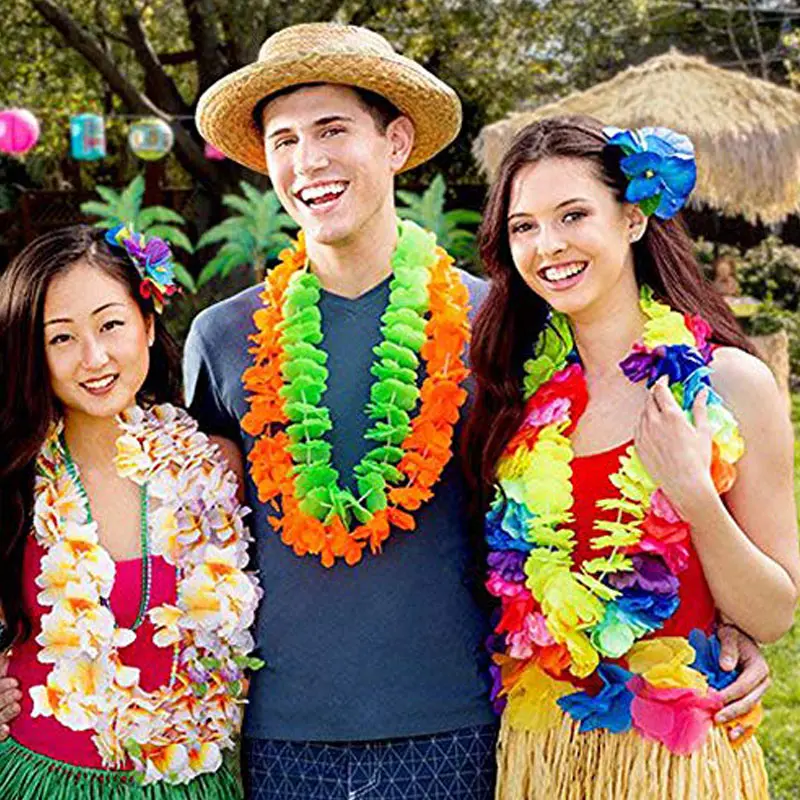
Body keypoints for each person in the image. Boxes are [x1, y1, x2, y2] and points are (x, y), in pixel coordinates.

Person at [0, 23, 770, 800]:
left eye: (333, 130)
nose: (309, 161)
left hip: (462, 727)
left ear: (396, 141)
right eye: (285, 140)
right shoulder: (222, 336)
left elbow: (595, 487)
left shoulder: (500, 324)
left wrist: (725, 628)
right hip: (277, 737)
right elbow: (159, 530)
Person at [463, 115, 799, 799]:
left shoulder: (729, 384)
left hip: (675, 759)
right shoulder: (514, 398)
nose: (548, 245)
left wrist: (695, 497)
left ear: (634, 219)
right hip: (542, 751)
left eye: (573, 215)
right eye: (524, 226)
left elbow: (773, 616)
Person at [0, 225, 261, 799]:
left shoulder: (216, 469)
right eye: (61, 337)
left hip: (195, 781)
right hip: (41, 780)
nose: (94, 358)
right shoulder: (14, 479)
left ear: (146, 322)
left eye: (110, 324)